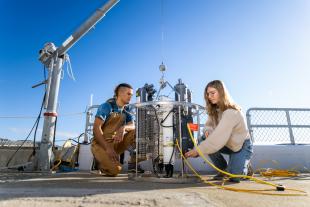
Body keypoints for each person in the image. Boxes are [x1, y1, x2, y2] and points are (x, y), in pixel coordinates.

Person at [185, 80, 253, 182]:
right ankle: (223, 170)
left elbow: (217, 138)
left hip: (242, 146)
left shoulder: (231, 112)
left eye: (213, 93)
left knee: (235, 178)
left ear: (222, 93)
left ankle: (246, 168)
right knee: (203, 139)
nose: (209, 96)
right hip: (228, 143)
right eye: (208, 94)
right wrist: (207, 131)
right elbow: (208, 125)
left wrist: (197, 151)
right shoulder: (215, 111)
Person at [92, 83, 138, 176]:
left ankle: (134, 159)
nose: (130, 97)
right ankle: (99, 163)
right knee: (115, 171)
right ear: (120, 94)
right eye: (128, 94)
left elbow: (132, 126)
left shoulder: (127, 109)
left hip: (116, 143)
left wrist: (123, 128)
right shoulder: (107, 106)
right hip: (101, 145)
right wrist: (108, 147)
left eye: (131, 95)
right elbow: (96, 128)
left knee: (136, 131)